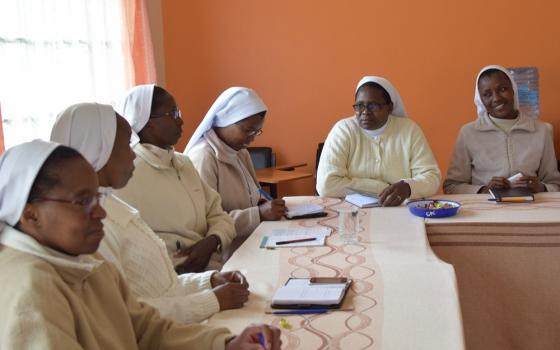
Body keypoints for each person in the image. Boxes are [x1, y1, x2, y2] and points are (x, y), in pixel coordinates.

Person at [0, 140, 281, 349]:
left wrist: (228, 345)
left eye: (98, 198)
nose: (100, 212)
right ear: (30, 214)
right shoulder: (29, 290)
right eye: (83, 201)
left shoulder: (88, 266)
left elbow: (149, 331)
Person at [50, 102, 249, 324]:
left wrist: (209, 281)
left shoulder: (115, 207)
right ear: (100, 150)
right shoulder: (92, 226)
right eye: (127, 145)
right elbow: (126, 314)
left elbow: (160, 287)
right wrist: (211, 300)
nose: (134, 155)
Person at [115, 84, 236, 273]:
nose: (181, 121)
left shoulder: (183, 163)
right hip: (174, 278)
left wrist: (212, 241)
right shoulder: (128, 174)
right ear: (146, 121)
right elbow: (135, 251)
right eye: (173, 114)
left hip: (214, 267)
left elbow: (220, 216)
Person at [316, 76, 441, 206]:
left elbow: (432, 177)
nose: (365, 112)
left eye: (373, 106)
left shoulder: (409, 130)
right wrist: (382, 187)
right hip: (352, 213)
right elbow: (326, 185)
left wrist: (408, 188)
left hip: (399, 212)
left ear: (390, 107)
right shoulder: (343, 130)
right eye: (359, 106)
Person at [185, 87, 286, 239]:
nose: (252, 139)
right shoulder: (203, 157)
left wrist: (263, 203)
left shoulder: (240, 152)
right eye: (247, 130)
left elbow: (254, 193)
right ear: (225, 119)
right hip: (225, 252)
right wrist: (258, 214)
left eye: (257, 132)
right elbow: (205, 222)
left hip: (251, 238)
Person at [444, 65, 560, 194]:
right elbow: (452, 187)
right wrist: (484, 190)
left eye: (502, 89)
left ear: (513, 90)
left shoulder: (541, 131)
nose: (496, 98)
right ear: (480, 100)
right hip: (485, 211)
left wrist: (541, 188)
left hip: (530, 210)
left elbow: (555, 184)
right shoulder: (468, 133)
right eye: (487, 94)